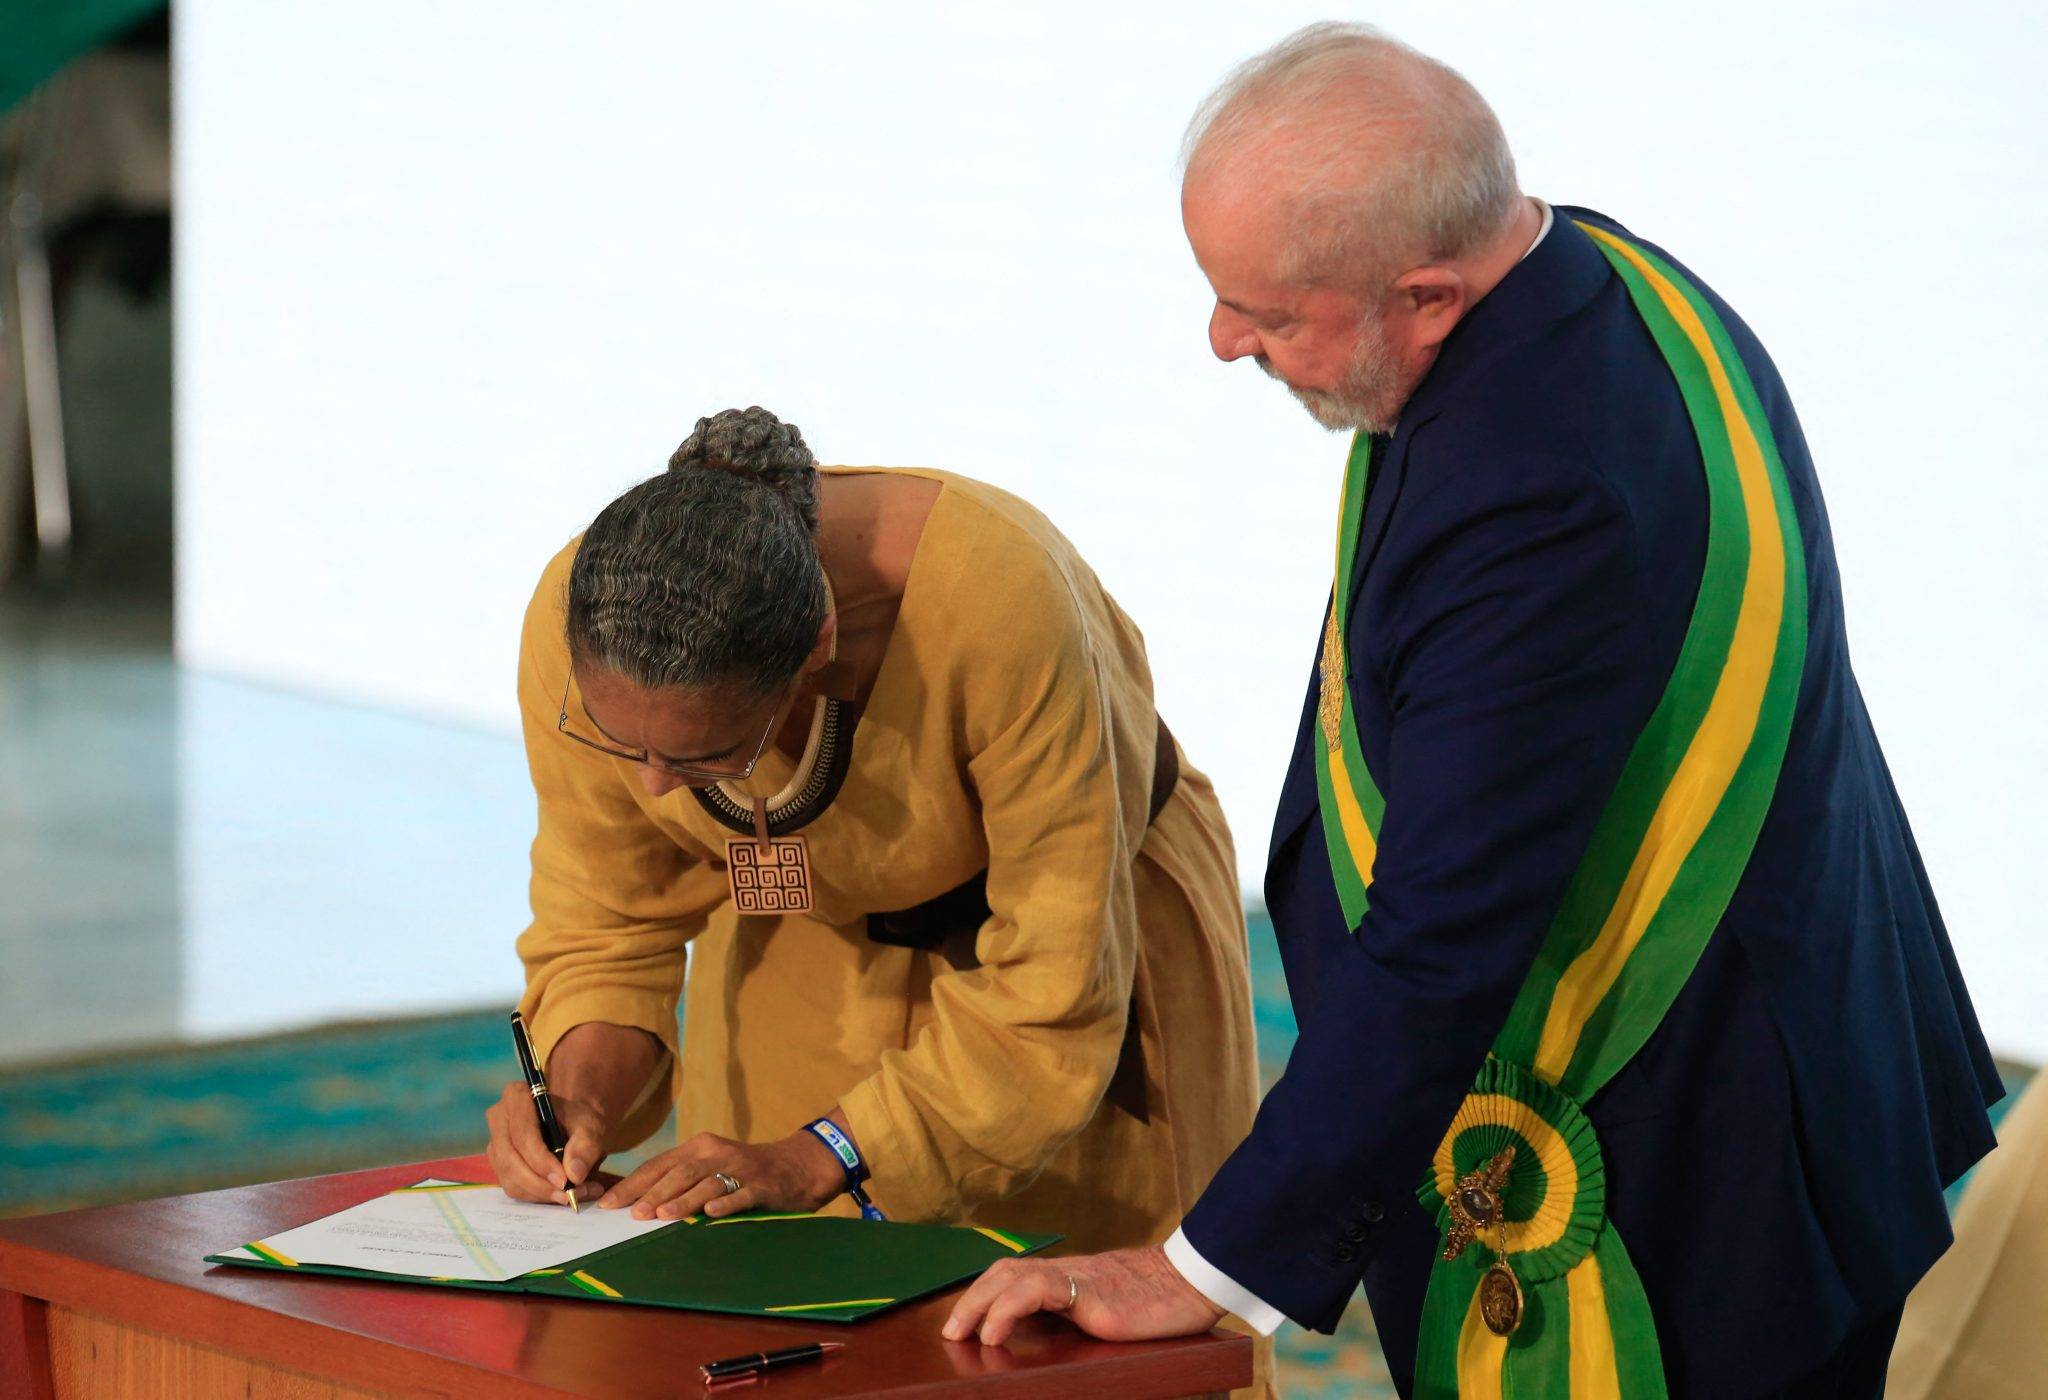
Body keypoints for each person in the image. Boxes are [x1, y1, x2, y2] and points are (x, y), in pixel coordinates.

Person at [946, 24, 2001, 1398]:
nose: (1222, 342)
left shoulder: (1536, 490)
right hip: (1800, 1038)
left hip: (1695, 1168)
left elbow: (1443, 938)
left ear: (1428, 295)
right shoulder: (1592, 271)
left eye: (1269, 316)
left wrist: (1200, 1270)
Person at [483, 407, 1270, 1381]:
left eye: (700, 755)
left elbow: (1054, 987)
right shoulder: (593, 618)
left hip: (1070, 952)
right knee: (771, 1319)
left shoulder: (1002, 604)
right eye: (621, 744)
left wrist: (815, 1153)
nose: (649, 785)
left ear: (815, 644)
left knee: (1066, 1349)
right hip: (799, 940)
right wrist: (577, 1097)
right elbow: (608, 918)